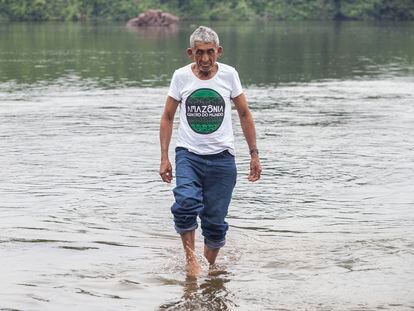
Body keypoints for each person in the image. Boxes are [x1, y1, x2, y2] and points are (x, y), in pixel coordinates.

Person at [159, 26, 261, 276]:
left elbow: (245, 113)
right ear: (190, 52)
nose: (205, 59)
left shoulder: (229, 75)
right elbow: (168, 116)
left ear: (219, 51)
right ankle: (191, 262)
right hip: (188, 155)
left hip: (223, 159)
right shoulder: (181, 77)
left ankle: (208, 268)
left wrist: (254, 154)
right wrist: (164, 157)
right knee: (185, 204)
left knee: (215, 225)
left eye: (210, 52)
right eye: (199, 53)